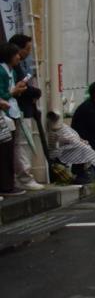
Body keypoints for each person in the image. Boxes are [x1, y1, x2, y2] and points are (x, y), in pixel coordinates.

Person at [0, 43, 40, 191]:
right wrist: (14, 91)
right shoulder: (1, 71)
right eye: (16, 54)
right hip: (5, 114)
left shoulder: (12, 71)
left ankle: (13, 181)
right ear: (9, 55)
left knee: (14, 148)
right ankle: (10, 183)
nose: (19, 56)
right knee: (7, 150)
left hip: (14, 112)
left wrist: (19, 89)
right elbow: (2, 94)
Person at [45, 110, 95, 184]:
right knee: (85, 149)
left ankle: (86, 176)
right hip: (60, 153)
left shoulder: (61, 127)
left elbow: (72, 138)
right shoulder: (56, 130)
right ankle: (86, 176)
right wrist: (81, 142)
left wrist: (81, 141)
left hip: (66, 150)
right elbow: (69, 139)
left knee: (85, 150)